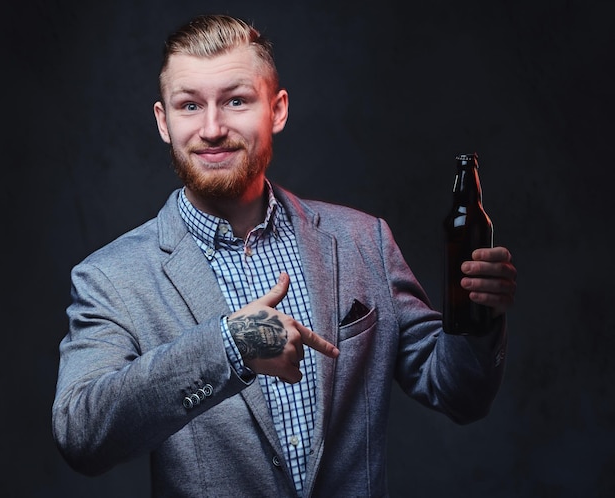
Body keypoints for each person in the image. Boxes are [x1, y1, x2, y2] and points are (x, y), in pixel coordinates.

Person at [52, 14, 517, 498]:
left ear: (277, 110)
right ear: (163, 121)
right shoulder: (111, 277)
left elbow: (459, 394)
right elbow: (81, 435)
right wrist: (231, 346)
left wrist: (478, 317)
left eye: (236, 100)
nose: (211, 129)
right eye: (189, 105)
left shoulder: (363, 240)